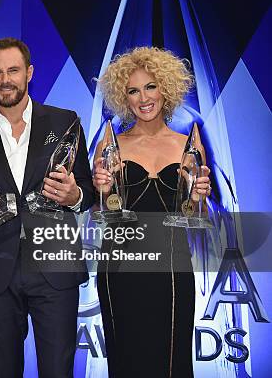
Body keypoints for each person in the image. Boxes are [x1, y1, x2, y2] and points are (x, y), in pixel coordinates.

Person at [0, 38, 94, 378]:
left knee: (57, 371)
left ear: (29, 73)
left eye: (13, 70)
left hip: (55, 269)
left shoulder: (65, 121)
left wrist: (73, 196)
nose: (5, 79)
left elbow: (88, 192)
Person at [93, 46, 211, 377]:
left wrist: (200, 197)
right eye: (132, 90)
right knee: (126, 360)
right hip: (120, 269)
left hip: (172, 270)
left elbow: (196, 216)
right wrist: (101, 190)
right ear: (122, 98)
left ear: (166, 89)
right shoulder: (110, 145)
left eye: (150, 86)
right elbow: (97, 211)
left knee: (172, 363)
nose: (143, 97)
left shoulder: (189, 145)